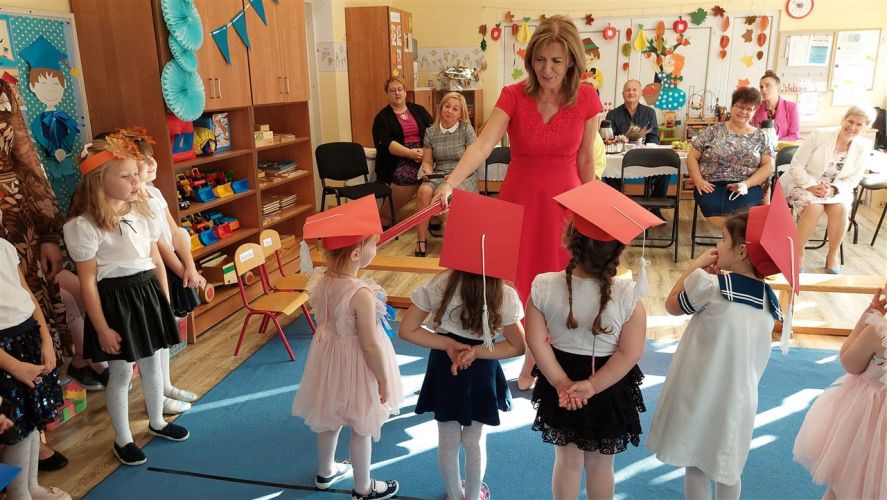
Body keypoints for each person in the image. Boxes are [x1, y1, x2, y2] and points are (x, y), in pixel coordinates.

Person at [433, 15, 603, 391]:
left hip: (565, 204)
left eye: (556, 61)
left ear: (572, 61)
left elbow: (585, 160)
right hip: (519, 202)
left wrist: (591, 212)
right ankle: (525, 351)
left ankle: (534, 362)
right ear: (530, 60)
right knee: (514, 285)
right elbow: (483, 144)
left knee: (558, 285)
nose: (547, 69)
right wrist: (450, 182)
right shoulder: (513, 94)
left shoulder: (587, 97)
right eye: (540, 59)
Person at [647, 199, 798, 500]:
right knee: (729, 466)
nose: (717, 244)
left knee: (696, 463)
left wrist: (694, 267)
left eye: (723, 238)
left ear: (741, 251)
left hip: (700, 390)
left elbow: (671, 305)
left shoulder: (711, 287)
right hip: (740, 397)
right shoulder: (770, 301)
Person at [63, 134, 188, 466]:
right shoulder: (84, 227)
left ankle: (157, 421)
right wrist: (102, 328)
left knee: (152, 364)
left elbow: (153, 259)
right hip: (115, 303)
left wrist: (162, 301)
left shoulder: (143, 212)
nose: (136, 180)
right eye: (126, 175)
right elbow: (88, 282)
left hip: (146, 294)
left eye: (136, 174)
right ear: (99, 181)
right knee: (121, 374)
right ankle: (123, 439)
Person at [527, 181, 653, 499]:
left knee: (567, 462)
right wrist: (593, 386)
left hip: (560, 377)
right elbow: (630, 353)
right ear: (618, 251)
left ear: (571, 241)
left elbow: (536, 342)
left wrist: (560, 382)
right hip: (608, 382)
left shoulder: (542, 286)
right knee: (600, 466)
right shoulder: (629, 297)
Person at [398, 190, 526, 500]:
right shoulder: (504, 295)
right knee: (475, 440)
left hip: (445, 367)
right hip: (481, 369)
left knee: (447, 440)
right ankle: (471, 496)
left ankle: (454, 495)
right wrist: (476, 351)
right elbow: (518, 346)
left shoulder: (439, 284)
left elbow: (407, 330)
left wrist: (448, 345)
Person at [292, 195, 403, 500]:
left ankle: (326, 470)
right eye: (373, 244)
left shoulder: (323, 280)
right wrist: (382, 378)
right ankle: (363, 487)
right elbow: (369, 344)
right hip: (358, 365)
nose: (376, 249)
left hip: (329, 359)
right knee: (361, 424)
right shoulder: (361, 293)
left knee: (329, 417)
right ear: (356, 254)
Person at [0, 78, 70, 472]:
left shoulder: (2, 89)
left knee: (24, 320)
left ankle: (32, 434)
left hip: (13, 219)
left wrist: (46, 232)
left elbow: (27, 159)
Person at [0, 204, 70, 500]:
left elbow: (27, 294)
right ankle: (19, 494)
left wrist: (45, 338)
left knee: (30, 423)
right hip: (5, 353)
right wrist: (14, 366)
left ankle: (30, 487)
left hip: (28, 339)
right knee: (16, 429)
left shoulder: (4, 247)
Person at [131, 128, 202, 413]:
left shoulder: (155, 192)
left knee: (168, 329)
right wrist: (182, 269)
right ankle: (158, 393)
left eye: (151, 157)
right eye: (143, 160)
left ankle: (167, 386)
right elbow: (158, 244)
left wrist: (190, 267)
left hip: (174, 266)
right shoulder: (135, 201)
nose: (152, 163)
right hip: (159, 268)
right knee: (159, 335)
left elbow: (176, 232)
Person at [793, 283, 887, 499]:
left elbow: (849, 362)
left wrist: (864, 321)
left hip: (866, 419)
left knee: (845, 482)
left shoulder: (878, 332)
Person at [780, 105, 875, 274]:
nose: (852, 127)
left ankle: (832, 256)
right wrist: (811, 186)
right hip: (802, 182)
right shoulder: (819, 135)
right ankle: (798, 253)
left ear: (865, 128)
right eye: (850, 121)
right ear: (843, 119)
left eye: (859, 124)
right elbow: (796, 166)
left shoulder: (864, 146)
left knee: (841, 208)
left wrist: (833, 189)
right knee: (814, 207)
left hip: (835, 188)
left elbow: (854, 178)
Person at [687, 86, 774, 230]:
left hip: (746, 186)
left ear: (755, 111)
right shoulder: (712, 131)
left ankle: (731, 239)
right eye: (740, 107)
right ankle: (732, 238)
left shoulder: (762, 136)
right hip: (711, 184)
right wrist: (698, 180)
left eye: (749, 109)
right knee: (712, 206)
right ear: (732, 106)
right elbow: (692, 157)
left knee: (743, 210)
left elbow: (767, 166)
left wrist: (747, 184)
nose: (744, 112)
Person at [414, 92, 478, 256]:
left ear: (461, 114)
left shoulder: (466, 129)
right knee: (423, 191)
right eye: (447, 106)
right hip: (439, 173)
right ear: (441, 108)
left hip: (463, 174)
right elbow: (428, 161)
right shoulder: (431, 132)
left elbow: (473, 160)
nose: (449, 111)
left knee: (441, 194)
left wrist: (455, 176)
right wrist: (427, 170)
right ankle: (421, 241)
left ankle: (451, 244)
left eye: (455, 109)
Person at [372, 76, 434, 226]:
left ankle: (432, 217)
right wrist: (410, 153)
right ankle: (386, 215)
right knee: (409, 175)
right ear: (387, 93)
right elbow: (387, 144)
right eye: (392, 90)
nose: (397, 93)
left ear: (405, 92)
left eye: (400, 89)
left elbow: (433, 131)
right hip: (399, 157)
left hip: (425, 152)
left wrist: (427, 152)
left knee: (438, 174)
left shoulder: (418, 110)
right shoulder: (382, 118)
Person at [605, 79, 667, 215]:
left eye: (634, 90)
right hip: (621, 158)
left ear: (640, 93)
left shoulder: (650, 112)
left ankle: (655, 209)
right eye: (628, 90)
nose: (631, 93)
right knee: (608, 170)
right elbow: (609, 139)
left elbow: (654, 137)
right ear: (622, 93)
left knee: (666, 171)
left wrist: (646, 149)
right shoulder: (612, 114)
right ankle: (618, 207)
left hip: (645, 157)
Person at [750, 70, 800, 141]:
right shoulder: (756, 107)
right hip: (760, 147)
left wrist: (775, 141)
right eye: (761, 87)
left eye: (767, 85)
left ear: (778, 87)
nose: (763, 89)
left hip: (783, 147)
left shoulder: (791, 107)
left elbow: (794, 136)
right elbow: (751, 133)